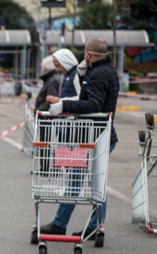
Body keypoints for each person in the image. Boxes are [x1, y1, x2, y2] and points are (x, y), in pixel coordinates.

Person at [41, 38, 119, 238]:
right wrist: (85, 75)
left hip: (90, 136)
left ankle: (61, 224)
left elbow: (93, 105)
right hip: (101, 135)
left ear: (89, 54)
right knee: (96, 183)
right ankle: (95, 226)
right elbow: (92, 99)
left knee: (76, 179)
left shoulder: (99, 74)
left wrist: (64, 105)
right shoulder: (108, 71)